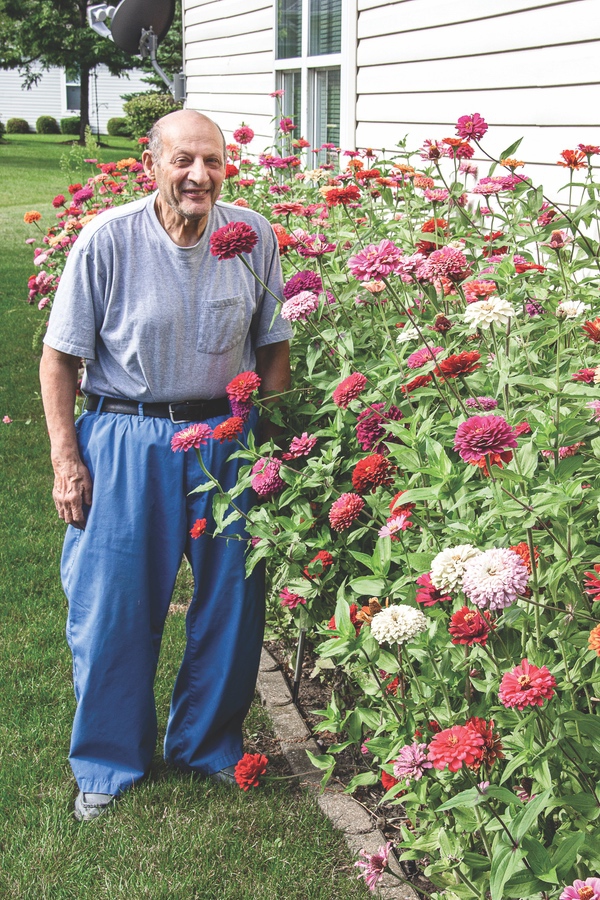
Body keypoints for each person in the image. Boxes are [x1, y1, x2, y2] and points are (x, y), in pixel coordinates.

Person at [39, 109, 292, 821]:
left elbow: (272, 342)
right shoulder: (108, 239)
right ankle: (108, 762)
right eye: (183, 160)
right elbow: (59, 358)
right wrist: (67, 459)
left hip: (227, 437)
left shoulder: (251, 237)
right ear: (151, 163)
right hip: (126, 436)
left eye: (211, 161)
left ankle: (207, 745)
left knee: (233, 603)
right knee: (114, 606)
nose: (199, 176)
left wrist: (266, 440)